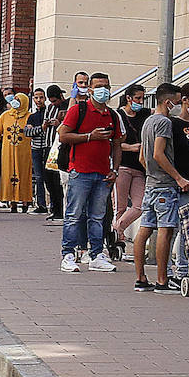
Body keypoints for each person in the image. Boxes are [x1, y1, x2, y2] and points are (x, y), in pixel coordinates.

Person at [132, 82, 189, 292]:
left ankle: (140, 277)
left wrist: (151, 172)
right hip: (164, 186)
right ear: (167, 102)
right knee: (165, 231)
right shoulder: (164, 123)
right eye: (176, 102)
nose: (178, 105)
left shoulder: (148, 121)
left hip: (151, 183)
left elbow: (143, 156)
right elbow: (158, 154)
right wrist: (178, 178)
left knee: (145, 229)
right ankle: (161, 280)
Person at [56, 71, 120, 273]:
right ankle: (68, 253)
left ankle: (96, 254)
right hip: (80, 171)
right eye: (99, 86)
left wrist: (115, 170)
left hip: (103, 174)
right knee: (74, 214)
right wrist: (89, 137)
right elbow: (63, 135)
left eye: (106, 87)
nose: (103, 90)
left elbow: (117, 144)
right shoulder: (78, 109)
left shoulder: (112, 115)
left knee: (97, 216)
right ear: (90, 89)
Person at [114, 84, 151, 244]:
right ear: (128, 98)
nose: (140, 102)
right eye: (137, 98)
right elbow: (112, 142)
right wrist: (130, 147)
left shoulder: (144, 113)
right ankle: (117, 239)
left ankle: (116, 228)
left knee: (141, 204)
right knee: (120, 206)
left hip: (139, 167)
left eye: (143, 98)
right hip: (122, 165)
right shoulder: (118, 115)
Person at [0, 91, 34, 212]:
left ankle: (25, 201)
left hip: (24, 151)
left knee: (24, 174)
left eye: (18, 99)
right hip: (8, 150)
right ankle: (12, 202)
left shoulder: (29, 116)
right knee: (8, 173)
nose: (15, 101)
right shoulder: (5, 115)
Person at [41, 83, 68, 220]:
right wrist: (45, 124)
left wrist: (59, 124)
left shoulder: (68, 105)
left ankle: (61, 211)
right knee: (49, 180)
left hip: (60, 147)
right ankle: (54, 208)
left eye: (55, 101)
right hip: (48, 147)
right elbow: (43, 125)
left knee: (59, 182)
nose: (53, 103)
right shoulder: (50, 108)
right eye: (51, 101)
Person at [25, 88, 50, 214]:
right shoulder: (32, 116)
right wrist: (41, 128)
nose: (39, 100)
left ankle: (54, 203)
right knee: (39, 177)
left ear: (45, 98)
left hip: (47, 149)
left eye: (41, 97)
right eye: (36, 97)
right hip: (36, 149)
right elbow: (28, 132)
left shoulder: (49, 113)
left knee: (50, 177)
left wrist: (38, 129)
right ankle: (41, 204)